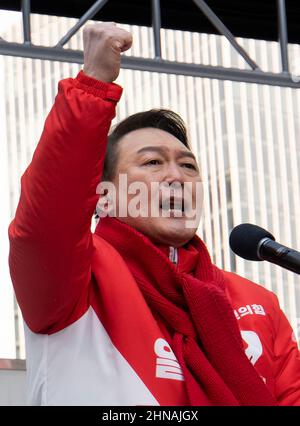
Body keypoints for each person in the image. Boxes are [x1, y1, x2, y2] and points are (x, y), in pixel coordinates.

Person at [8, 22, 300, 406]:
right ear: (104, 198)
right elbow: (46, 216)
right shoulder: (74, 282)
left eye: (189, 166)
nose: (176, 176)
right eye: (152, 163)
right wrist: (94, 85)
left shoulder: (257, 302)